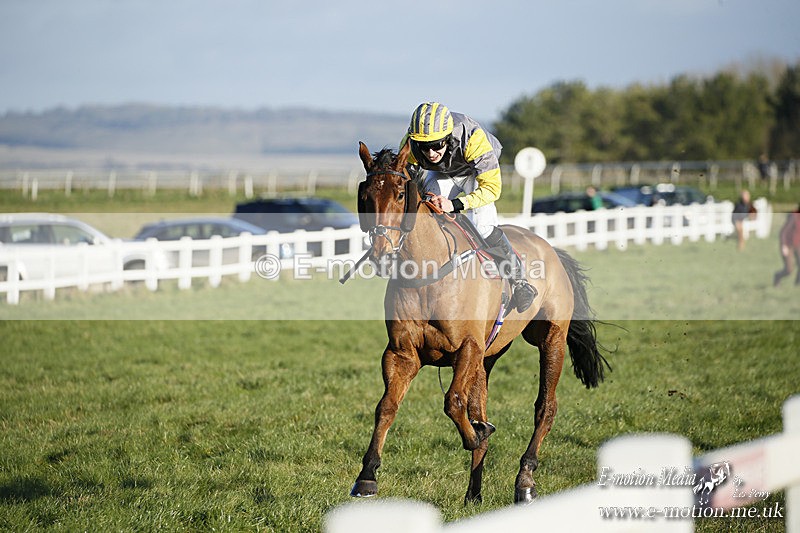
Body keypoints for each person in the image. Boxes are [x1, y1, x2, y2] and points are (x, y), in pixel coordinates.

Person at [400, 102, 536, 312]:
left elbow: (492, 189)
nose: (430, 152)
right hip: (444, 172)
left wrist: (454, 204)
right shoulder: (411, 144)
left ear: (447, 137)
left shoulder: (473, 139)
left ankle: (520, 282)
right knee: (428, 211)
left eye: (437, 144)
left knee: (483, 226)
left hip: (475, 172)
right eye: (424, 146)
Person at [773, 204, 800, 286]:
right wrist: (784, 245)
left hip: (798, 244)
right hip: (788, 245)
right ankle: (777, 277)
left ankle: (797, 285)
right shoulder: (794, 216)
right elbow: (784, 231)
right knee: (789, 270)